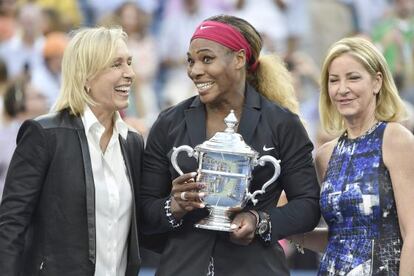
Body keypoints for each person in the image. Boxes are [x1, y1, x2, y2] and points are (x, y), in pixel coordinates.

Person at [140, 14, 320, 275]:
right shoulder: (169, 123)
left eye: (207, 59)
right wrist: (174, 206)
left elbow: (308, 205)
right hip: (182, 267)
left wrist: (259, 220)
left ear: (238, 59)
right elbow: (145, 210)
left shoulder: (282, 124)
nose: (194, 70)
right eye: (190, 61)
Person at [0, 26, 144, 276]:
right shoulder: (44, 134)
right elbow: (11, 225)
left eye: (129, 62)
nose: (129, 73)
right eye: (116, 64)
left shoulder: (132, 141)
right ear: (86, 75)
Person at [290, 36, 414, 275]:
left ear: (377, 82)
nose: (342, 89)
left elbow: (411, 233)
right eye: (334, 80)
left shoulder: (395, 139)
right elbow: (341, 240)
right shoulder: (326, 154)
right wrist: (282, 228)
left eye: (353, 78)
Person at [0, 79, 48, 199]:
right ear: (21, 103)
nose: (45, 99)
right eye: (39, 96)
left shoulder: (45, 133)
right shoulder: (5, 137)